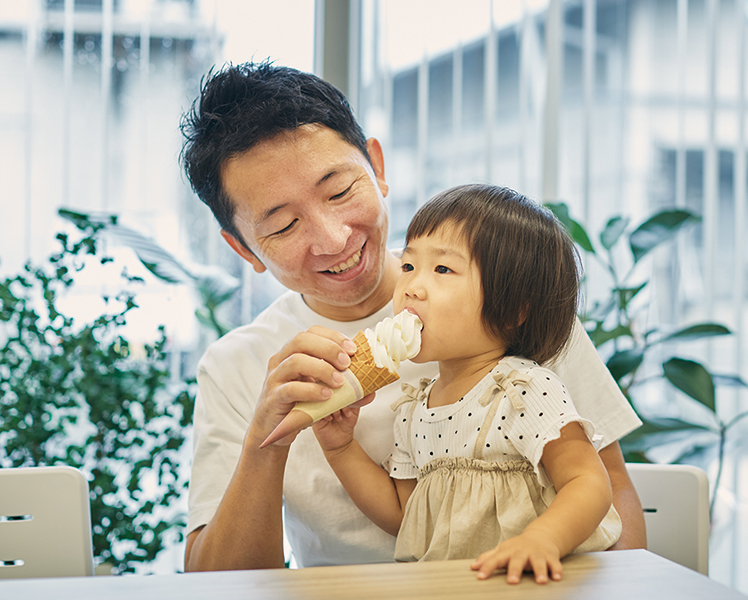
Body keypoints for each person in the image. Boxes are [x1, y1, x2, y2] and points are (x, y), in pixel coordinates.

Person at [179, 60, 645, 575]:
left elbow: (611, 493)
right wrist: (268, 440)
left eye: (339, 192)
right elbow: (217, 580)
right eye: (285, 225)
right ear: (243, 249)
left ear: (376, 166)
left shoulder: (501, 298)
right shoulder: (236, 365)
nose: (335, 239)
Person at [313, 184, 622, 584]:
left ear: (512, 309)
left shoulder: (522, 389)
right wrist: (340, 449)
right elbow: (405, 514)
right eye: (408, 266)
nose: (411, 287)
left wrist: (543, 540)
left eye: (442, 269)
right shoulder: (413, 409)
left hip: (532, 583)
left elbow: (588, 481)